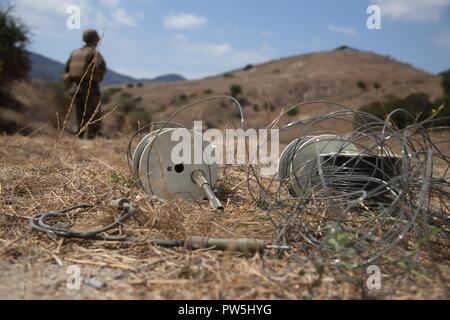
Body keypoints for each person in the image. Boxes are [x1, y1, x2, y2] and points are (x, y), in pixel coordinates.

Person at [63, 29, 106, 139]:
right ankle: (91, 141)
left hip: (75, 88)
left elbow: (66, 71)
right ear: (95, 40)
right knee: (93, 118)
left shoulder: (75, 52)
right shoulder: (94, 53)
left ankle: (79, 138)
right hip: (91, 89)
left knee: (79, 118)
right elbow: (100, 67)